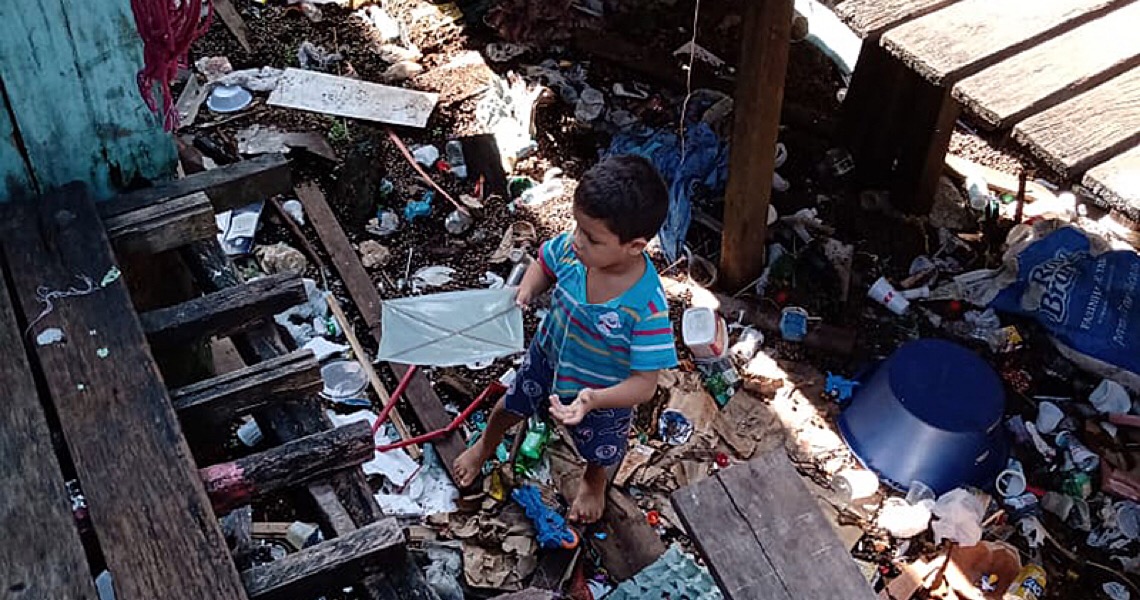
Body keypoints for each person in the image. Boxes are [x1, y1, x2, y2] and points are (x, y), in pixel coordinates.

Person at [453, 155, 678, 524]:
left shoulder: (646, 306)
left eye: (591, 238)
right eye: (577, 227)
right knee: (509, 405)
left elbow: (644, 385)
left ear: (635, 246)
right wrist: (527, 289)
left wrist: (594, 399)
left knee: (600, 450)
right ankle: (484, 445)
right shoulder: (575, 254)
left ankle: (593, 482)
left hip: (603, 392)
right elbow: (544, 263)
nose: (576, 241)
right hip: (547, 357)